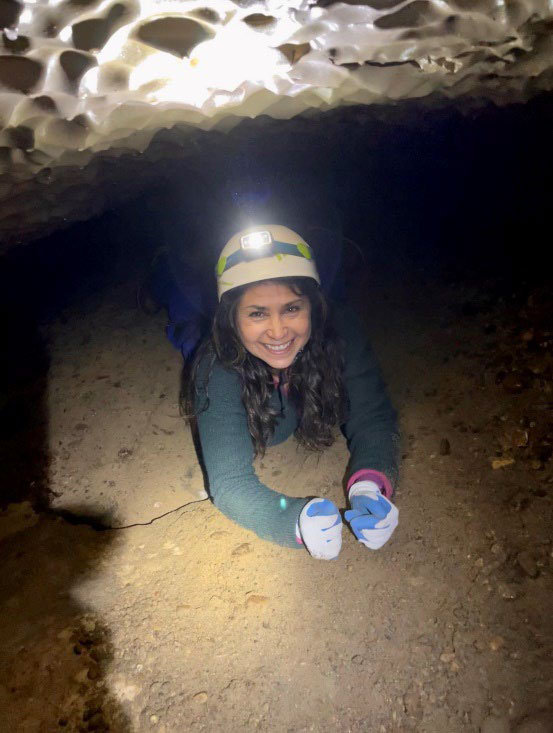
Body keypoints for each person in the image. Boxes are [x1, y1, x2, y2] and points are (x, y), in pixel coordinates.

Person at [187, 224, 400, 560]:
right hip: (215, 348)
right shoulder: (217, 368)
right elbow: (228, 482)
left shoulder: (340, 330)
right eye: (257, 313)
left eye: (291, 308)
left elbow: (372, 415)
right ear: (231, 319)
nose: (277, 331)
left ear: (313, 307)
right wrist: (292, 521)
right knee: (184, 327)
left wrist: (371, 482)